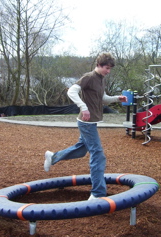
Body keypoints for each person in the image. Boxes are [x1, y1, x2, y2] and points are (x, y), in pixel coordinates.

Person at [44, 52, 127, 200]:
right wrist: (83, 107)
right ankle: (97, 193)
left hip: (92, 121)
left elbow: (103, 99)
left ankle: (53, 157)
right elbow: (71, 91)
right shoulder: (89, 77)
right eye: (106, 68)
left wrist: (117, 98)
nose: (108, 71)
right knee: (98, 154)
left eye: (110, 69)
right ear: (98, 65)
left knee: (81, 149)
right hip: (86, 122)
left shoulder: (101, 80)